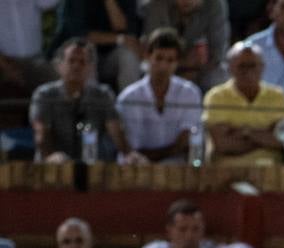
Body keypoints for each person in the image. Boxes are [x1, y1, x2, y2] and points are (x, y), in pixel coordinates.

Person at [30, 39, 144, 163]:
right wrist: (51, 156)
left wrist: (129, 154)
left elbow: (116, 131)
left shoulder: (102, 95)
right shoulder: (44, 95)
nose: (76, 66)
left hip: (89, 165)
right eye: (71, 61)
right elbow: (41, 133)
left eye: (82, 62)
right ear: (59, 65)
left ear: (90, 67)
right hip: (51, 167)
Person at [116, 28, 204, 164]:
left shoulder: (190, 93)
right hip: (138, 167)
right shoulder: (129, 97)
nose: (163, 66)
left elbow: (186, 140)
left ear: (177, 63)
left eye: (170, 60)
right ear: (147, 56)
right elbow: (132, 147)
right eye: (159, 58)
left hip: (177, 167)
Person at [202, 41, 284, 165]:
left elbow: (283, 141)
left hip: (272, 170)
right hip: (226, 171)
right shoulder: (216, 97)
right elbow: (222, 145)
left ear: (262, 67)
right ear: (230, 68)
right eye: (242, 66)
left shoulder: (278, 96)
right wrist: (264, 136)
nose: (247, 71)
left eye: (252, 65)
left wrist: (245, 132)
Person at [138, 198, 258, 248]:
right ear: (170, 230)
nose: (189, 235)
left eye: (195, 229)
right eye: (182, 229)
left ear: (203, 229)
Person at [50, 0, 141, 92]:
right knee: (87, 52)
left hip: (110, 57)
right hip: (75, 55)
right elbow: (80, 36)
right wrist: (118, 39)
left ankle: (131, 100)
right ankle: (91, 99)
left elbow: (123, 28)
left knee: (128, 56)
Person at [138, 0, 230, 91]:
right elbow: (153, 49)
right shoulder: (156, 5)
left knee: (218, 75)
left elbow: (218, 52)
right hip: (166, 63)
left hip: (200, 68)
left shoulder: (215, 5)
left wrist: (196, 67)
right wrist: (184, 64)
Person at [0, 0, 60, 103]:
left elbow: (49, 3)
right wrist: (4, 65)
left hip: (35, 60)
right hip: (5, 61)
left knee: (58, 92)